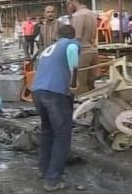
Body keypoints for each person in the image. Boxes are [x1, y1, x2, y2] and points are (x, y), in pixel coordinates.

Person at [32, 24, 80, 192]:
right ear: (73, 35)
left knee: (48, 132)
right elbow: (74, 61)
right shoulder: (71, 43)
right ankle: (53, 181)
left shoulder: (49, 48)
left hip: (38, 92)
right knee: (62, 135)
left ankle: (43, 170)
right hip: (55, 94)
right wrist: (73, 85)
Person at [68, 0, 98, 93]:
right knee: (91, 85)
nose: (69, 6)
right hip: (93, 51)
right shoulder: (91, 14)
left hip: (82, 53)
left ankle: (84, 108)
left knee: (80, 85)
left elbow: (77, 37)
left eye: (69, 3)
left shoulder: (77, 15)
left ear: (74, 1)